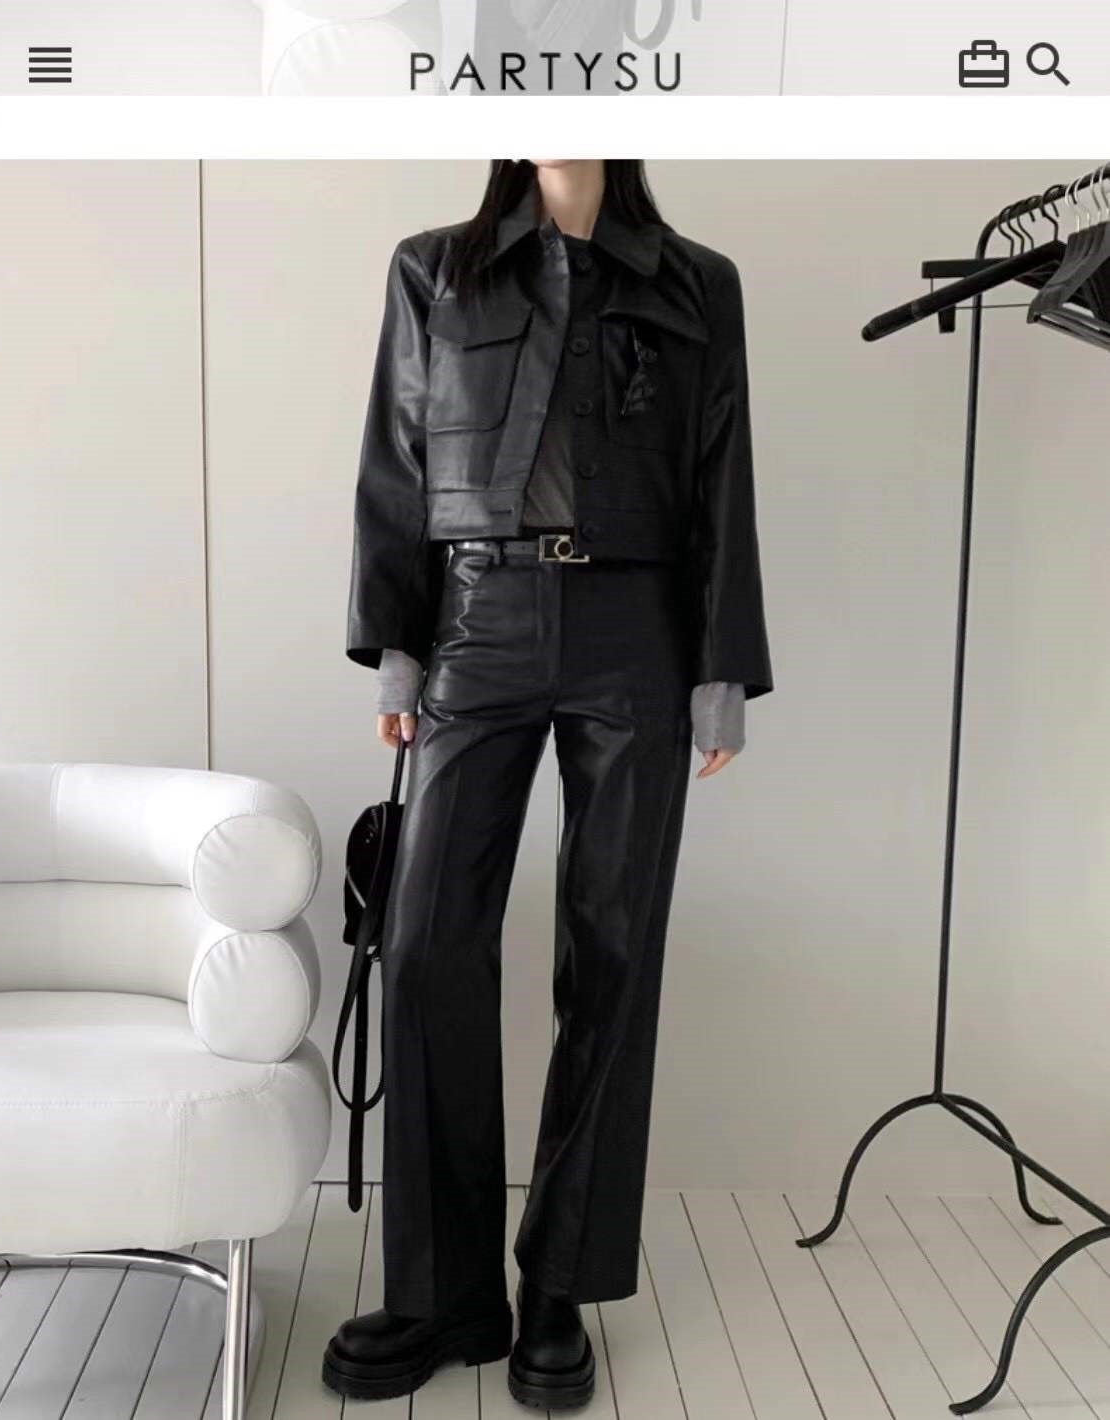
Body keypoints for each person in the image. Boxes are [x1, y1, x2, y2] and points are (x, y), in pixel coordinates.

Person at [323, 157, 772, 1409]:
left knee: (613, 951)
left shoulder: (698, 283)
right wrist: (397, 646)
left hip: (638, 629)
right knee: (426, 943)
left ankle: (557, 1286)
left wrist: (721, 665)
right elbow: (397, 456)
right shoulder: (435, 268)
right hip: (479, 617)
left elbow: (722, 470)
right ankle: (442, 1289)